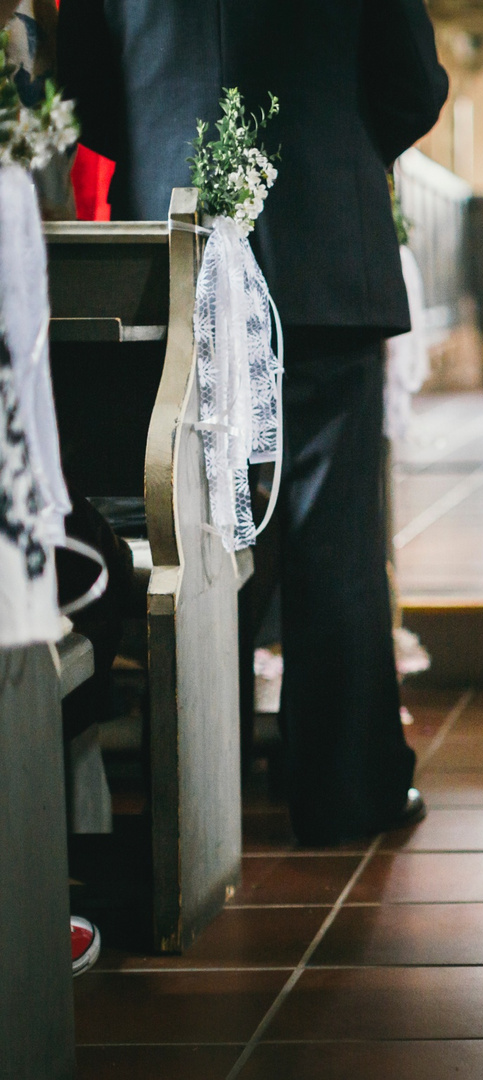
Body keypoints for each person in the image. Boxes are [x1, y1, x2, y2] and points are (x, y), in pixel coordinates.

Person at [59, 0, 449, 846]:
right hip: (322, 238)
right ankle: (345, 791)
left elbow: (82, 84)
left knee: (190, 521)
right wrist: (328, 145)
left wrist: (174, 139)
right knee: (333, 538)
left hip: (174, 240)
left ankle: (201, 799)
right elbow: (412, 83)